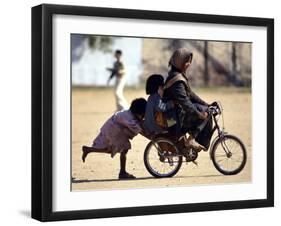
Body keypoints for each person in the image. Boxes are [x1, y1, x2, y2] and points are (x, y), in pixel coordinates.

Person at [81, 98, 147, 179]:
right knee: (124, 148)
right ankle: (122, 173)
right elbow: (141, 131)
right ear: (139, 112)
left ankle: (89, 149)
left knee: (110, 149)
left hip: (111, 127)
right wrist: (153, 138)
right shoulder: (130, 120)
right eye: (143, 114)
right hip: (114, 130)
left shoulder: (128, 113)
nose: (143, 116)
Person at [164, 48, 213, 151]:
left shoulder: (177, 75)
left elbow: (190, 94)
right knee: (204, 113)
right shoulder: (176, 80)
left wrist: (206, 104)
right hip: (172, 120)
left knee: (205, 109)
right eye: (187, 62)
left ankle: (192, 140)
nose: (189, 64)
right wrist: (199, 114)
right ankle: (191, 139)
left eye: (190, 61)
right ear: (179, 62)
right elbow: (185, 102)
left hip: (175, 114)